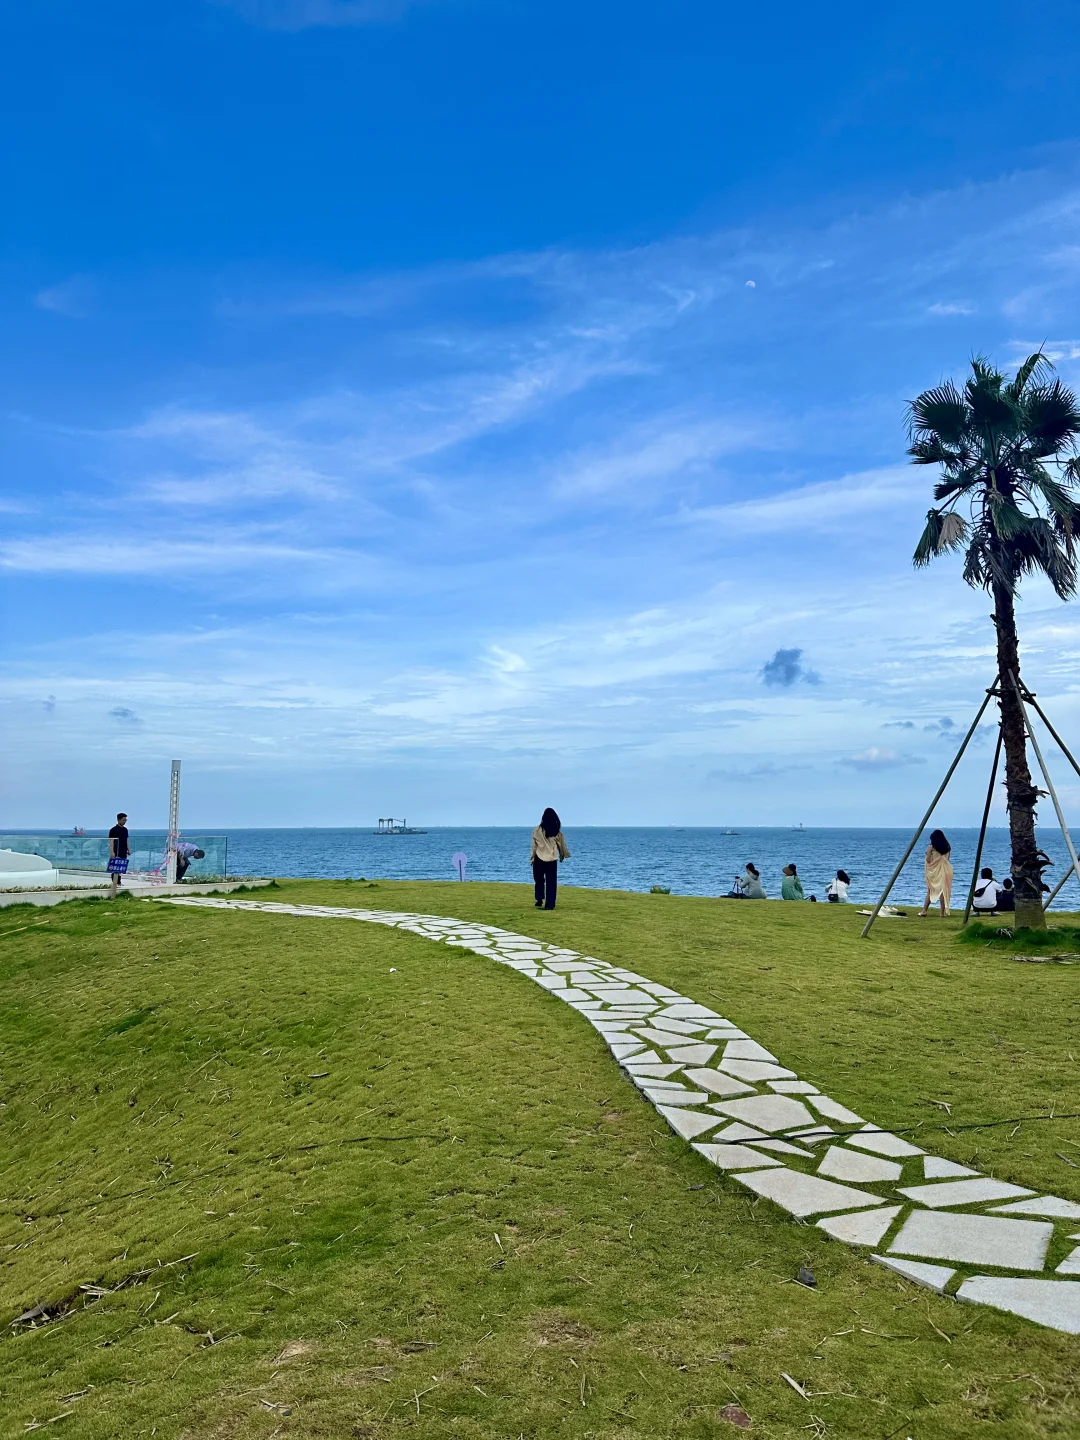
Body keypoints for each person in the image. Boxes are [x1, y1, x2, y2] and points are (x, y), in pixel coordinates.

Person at [530, 807, 570, 910]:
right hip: (552, 859)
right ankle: (550, 904)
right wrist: (562, 855)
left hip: (539, 857)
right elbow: (562, 845)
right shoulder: (556, 832)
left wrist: (532, 858)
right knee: (551, 882)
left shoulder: (537, 830)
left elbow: (534, 846)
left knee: (539, 879)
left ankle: (539, 898)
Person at [920, 828, 953, 917]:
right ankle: (942, 913)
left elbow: (929, 860)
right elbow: (947, 859)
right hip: (946, 870)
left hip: (935, 871)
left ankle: (924, 911)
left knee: (931, 890)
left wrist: (927, 853)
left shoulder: (931, 847)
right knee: (943, 891)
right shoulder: (947, 847)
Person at [108, 811, 130, 898]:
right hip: (116, 850)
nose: (125, 822)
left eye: (126, 820)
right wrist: (112, 851)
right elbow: (111, 841)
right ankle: (115, 882)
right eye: (123, 820)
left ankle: (119, 881)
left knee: (121, 867)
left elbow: (126, 840)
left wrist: (128, 849)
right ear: (119, 820)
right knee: (115, 867)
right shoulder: (113, 830)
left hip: (123, 850)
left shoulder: (125, 830)